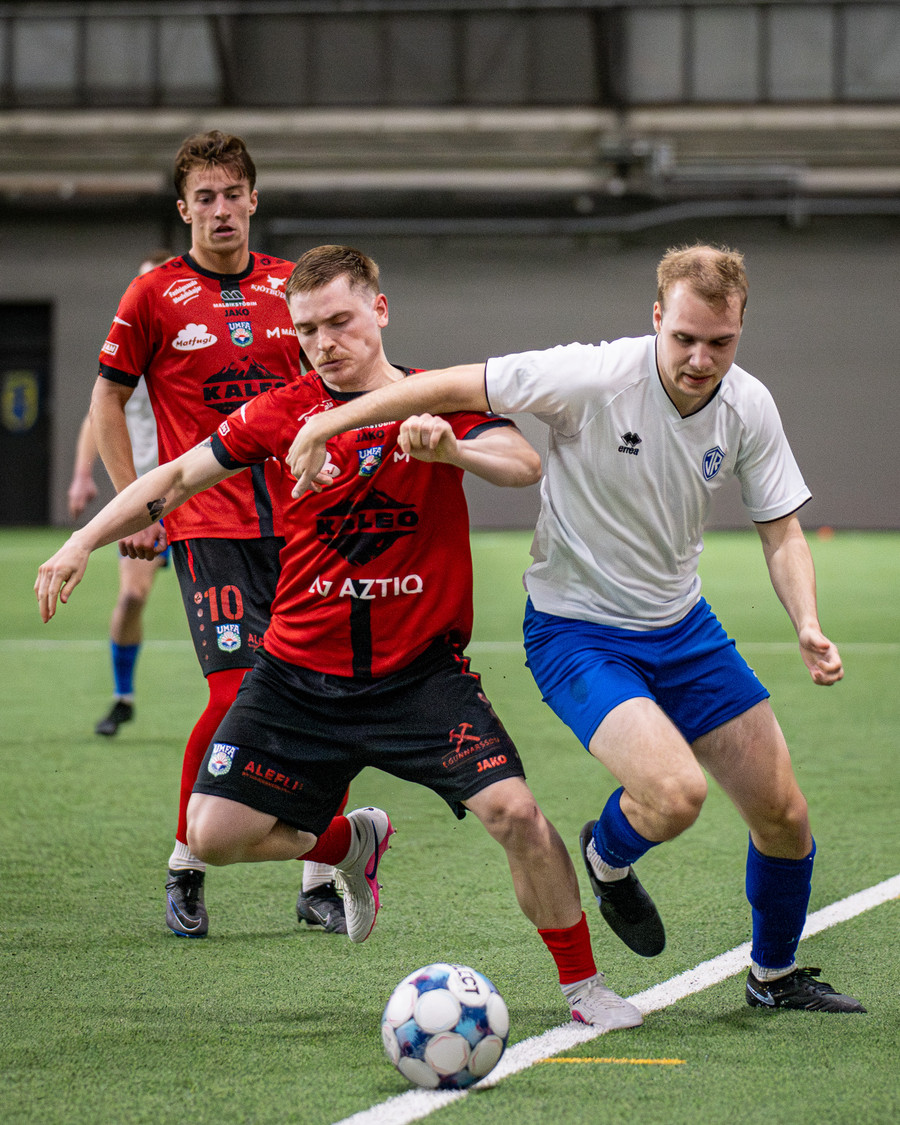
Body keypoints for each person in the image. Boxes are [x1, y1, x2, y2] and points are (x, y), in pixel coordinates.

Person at [36, 244, 646, 1033]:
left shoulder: (433, 397)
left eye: (340, 321)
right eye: (307, 329)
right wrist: (82, 539)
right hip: (296, 672)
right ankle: (350, 844)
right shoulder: (281, 412)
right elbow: (178, 477)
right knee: (211, 835)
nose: (324, 343)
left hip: (418, 675)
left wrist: (451, 449)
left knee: (518, 815)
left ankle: (585, 986)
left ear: (380, 310)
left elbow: (522, 461)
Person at [283, 243, 865, 1015]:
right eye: (684, 338)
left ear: (739, 330)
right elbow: (450, 383)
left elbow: (782, 529)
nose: (700, 359)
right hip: (577, 632)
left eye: (720, 342)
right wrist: (330, 421)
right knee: (675, 795)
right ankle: (606, 854)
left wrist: (808, 621)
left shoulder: (747, 404)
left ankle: (775, 975)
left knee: (784, 814)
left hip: (683, 627)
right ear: (655, 318)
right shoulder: (591, 375)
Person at [86, 132, 344, 938]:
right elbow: (106, 400)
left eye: (233, 193)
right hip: (208, 524)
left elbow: (338, 384)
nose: (222, 209)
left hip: (305, 524)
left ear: (254, 200)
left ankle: (320, 876)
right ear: (184, 208)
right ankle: (186, 862)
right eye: (206, 197)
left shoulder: (292, 286)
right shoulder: (153, 295)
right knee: (234, 692)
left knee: (330, 695)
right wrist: (137, 504)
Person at [68, 251, 174, 737]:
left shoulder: (195, 344)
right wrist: (82, 476)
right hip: (147, 494)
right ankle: (123, 697)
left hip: (200, 492)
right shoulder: (128, 346)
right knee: (132, 597)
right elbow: (98, 413)